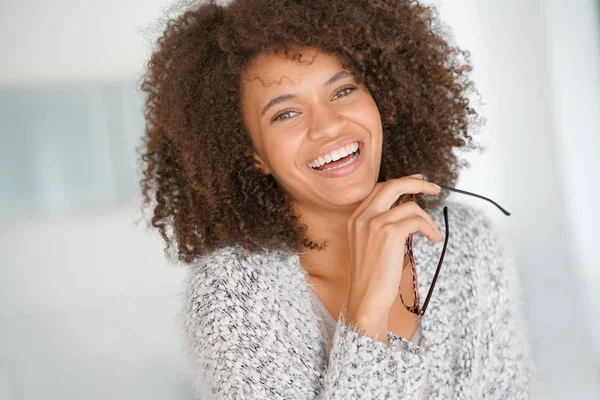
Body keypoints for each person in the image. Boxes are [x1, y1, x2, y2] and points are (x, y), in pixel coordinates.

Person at [139, 0, 535, 398]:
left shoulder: (466, 241)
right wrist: (366, 310)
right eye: (286, 114)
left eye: (343, 90)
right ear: (253, 155)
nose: (328, 126)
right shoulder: (231, 294)